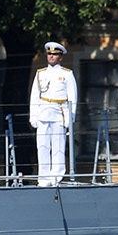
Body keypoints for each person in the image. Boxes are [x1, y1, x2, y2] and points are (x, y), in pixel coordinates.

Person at [29, 42, 78, 186]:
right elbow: (34, 96)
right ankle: (43, 177)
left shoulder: (67, 74)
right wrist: (33, 115)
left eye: (55, 54)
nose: (51, 56)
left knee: (58, 146)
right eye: (49, 54)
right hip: (43, 112)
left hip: (59, 114)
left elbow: (72, 98)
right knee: (43, 147)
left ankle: (57, 176)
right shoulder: (40, 74)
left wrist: (71, 118)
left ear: (60, 57)